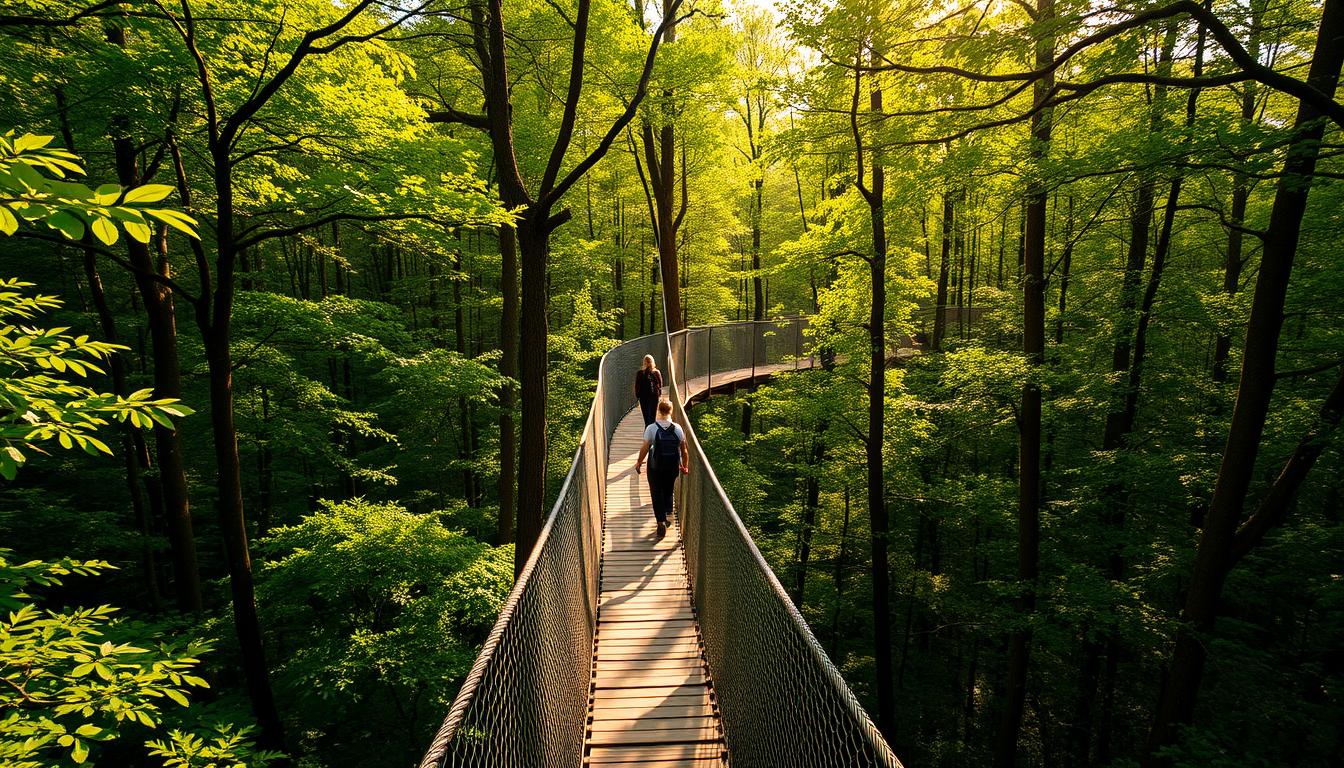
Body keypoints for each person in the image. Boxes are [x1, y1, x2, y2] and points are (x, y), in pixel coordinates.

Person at [635, 400, 689, 540]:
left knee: (656, 492)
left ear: (658, 411)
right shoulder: (677, 428)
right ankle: (667, 514)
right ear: (671, 411)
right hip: (672, 466)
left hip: (655, 467)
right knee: (668, 489)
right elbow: (684, 450)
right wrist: (685, 465)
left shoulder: (651, 428)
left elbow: (645, 448)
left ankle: (660, 520)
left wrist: (639, 462)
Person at [634, 354, 664, 426]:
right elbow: (660, 385)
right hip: (654, 396)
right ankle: (652, 434)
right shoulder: (656, 372)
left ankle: (647, 433)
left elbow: (637, 386)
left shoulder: (640, 373)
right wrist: (659, 394)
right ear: (653, 362)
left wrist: (637, 397)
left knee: (646, 417)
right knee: (652, 417)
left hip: (643, 397)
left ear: (644, 362)